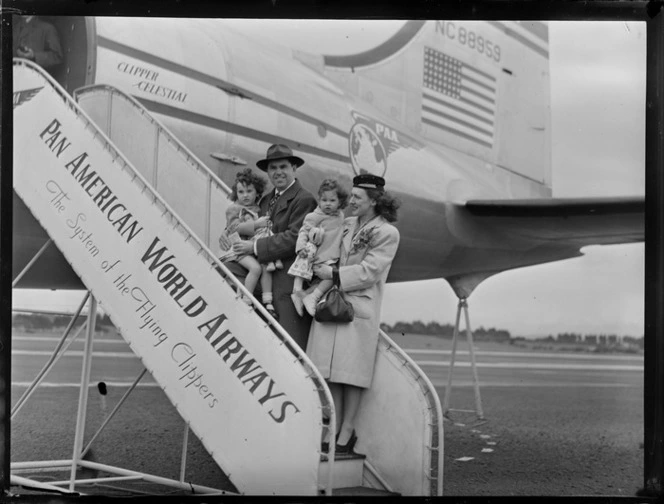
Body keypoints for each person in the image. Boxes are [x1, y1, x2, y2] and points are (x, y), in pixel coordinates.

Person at [306, 174, 401, 454]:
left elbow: (370, 271)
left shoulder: (387, 233)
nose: (351, 201)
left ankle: (347, 430)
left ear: (374, 201)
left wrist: (333, 273)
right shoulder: (346, 224)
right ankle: (334, 426)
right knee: (331, 372)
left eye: (358, 197)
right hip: (332, 304)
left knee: (351, 374)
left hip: (358, 307)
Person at [220, 144, 317, 349]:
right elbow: (252, 226)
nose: (278, 172)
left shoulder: (304, 199)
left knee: (291, 348)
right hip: (266, 282)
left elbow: (294, 238)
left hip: (286, 285)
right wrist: (228, 233)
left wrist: (253, 247)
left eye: (283, 166)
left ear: (294, 169)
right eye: (273, 168)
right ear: (267, 172)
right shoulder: (266, 200)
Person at [218, 168, 279, 318]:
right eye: (241, 192)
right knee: (256, 268)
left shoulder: (257, 208)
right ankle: (247, 299)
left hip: (251, 248)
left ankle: (267, 300)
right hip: (238, 248)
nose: (245, 195)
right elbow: (234, 228)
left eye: (249, 191)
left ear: (257, 192)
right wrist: (257, 224)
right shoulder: (234, 209)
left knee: (265, 266)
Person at [289, 179, 348, 317]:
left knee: (329, 279)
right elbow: (303, 231)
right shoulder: (314, 216)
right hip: (318, 256)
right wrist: (300, 247)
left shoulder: (340, 216)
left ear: (340, 202)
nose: (327, 204)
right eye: (324, 200)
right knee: (330, 277)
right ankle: (311, 296)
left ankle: (302, 295)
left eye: (332, 200)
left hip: (330, 256)